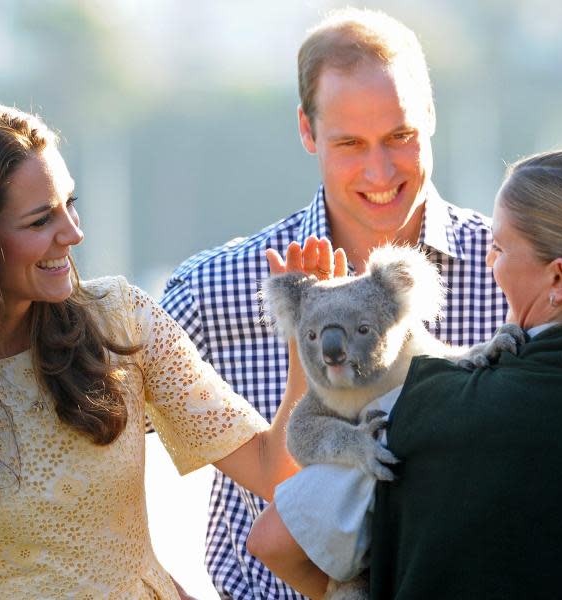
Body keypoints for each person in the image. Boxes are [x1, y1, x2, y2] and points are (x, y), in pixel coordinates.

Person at [0, 100, 305, 599]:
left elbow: (273, 471)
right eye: (40, 220)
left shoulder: (121, 319)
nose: (73, 232)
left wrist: (308, 341)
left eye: (70, 202)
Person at [160, 7, 506, 599]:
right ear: (307, 130)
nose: (380, 170)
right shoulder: (213, 291)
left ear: (430, 116)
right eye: (350, 143)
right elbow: (87, 433)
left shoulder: (510, 271)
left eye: (400, 137)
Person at [248, 147, 562, 599]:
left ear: (559, 279)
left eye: (499, 248)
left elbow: (273, 543)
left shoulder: (424, 410)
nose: (488, 263)